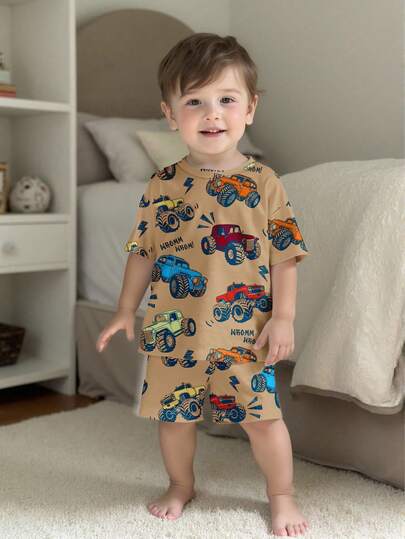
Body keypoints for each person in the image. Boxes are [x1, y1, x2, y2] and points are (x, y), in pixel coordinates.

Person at [96, 33, 311, 537]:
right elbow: (142, 252)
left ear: (250, 109)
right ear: (171, 115)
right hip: (176, 330)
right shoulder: (161, 184)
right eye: (194, 101)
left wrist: (284, 317)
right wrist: (125, 309)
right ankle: (180, 484)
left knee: (262, 420)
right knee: (174, 419)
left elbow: (285, 255)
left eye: (226, 100)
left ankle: (282, 495)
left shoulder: (265, 183)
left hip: (244, 332)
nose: (212, 114)